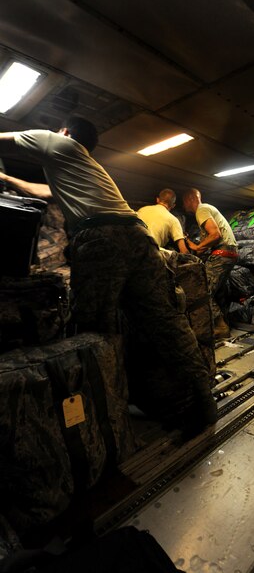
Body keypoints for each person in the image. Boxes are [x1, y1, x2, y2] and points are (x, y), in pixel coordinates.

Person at [0, 117, 217, 437]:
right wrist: (6, 177)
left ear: (65, 132)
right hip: (139, 240)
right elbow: (45, 191)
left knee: (91, 327)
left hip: (101, 239)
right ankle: (204, 402)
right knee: (166, 322)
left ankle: (98, 419)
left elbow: (6, 139)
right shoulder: (83, 169)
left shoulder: (56, 142)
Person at [182, 188, 238, 340]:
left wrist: (198, 247)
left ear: (189, 199)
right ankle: (224, 322)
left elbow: (215, 234)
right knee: (218, 291)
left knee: (203, 290)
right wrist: (197, 246)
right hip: (229, 252)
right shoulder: (208, 209)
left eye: (184, 202)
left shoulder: (202, 210)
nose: (184, 206)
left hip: (222, 252)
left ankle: (220, 326)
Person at [137, 189, 188, 253]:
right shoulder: (173, 220)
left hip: (131, 248)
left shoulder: (142, 210)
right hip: (150, 254)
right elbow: (183, 250)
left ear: (157, 200)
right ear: (173, 205)